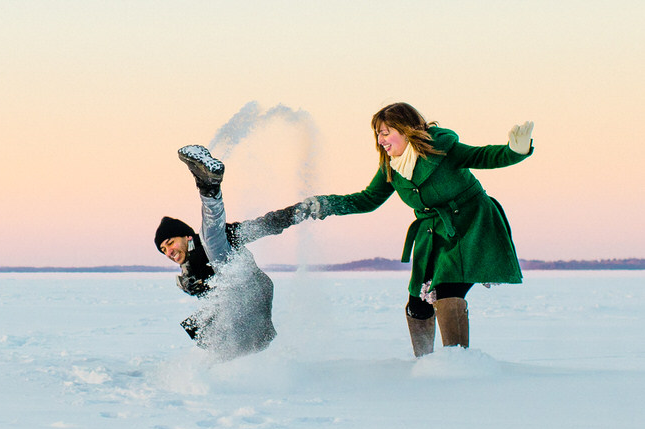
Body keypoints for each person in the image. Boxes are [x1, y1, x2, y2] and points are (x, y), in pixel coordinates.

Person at [303, 102, 534, 357]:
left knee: (446, 291)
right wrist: (324, 204)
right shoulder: (392, 167)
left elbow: (482, 156)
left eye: (386, 132)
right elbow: (367, 199)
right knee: (418, 304)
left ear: (405, 129)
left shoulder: (442, 149)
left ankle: (458, 364)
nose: (380, 140)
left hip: (472, 226)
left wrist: (515, 150)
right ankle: (425, 363)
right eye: (378, 134)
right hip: (433, 235)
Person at [155, 145, 310, 360]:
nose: (169, 252)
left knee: (211, 238)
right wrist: (190, 284)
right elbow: (193, 282)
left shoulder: (220, 236)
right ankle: (230, 366)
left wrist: (302, 211)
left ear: (187, 237)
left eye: (170, 243)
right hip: (245, 317)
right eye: (163, 250)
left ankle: (209, 187)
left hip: (249, 285)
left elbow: (263, 225)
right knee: (198, 326)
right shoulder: (189, 270)